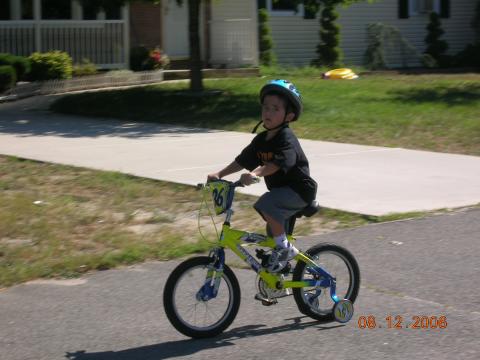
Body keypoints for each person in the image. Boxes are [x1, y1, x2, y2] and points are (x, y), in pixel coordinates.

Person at [207, 79, 317, 272]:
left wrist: (255, 173)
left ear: (289, 116)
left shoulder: (286, 138)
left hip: (299, 190)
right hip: (281, 192)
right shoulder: (261, 140)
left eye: (275, 109)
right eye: (266, 107)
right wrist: (220, 174)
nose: (268, 112)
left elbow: (279, 163)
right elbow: (242, 161)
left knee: (266, 204)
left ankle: (285, 250)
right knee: (271, 235)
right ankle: (280, 274)